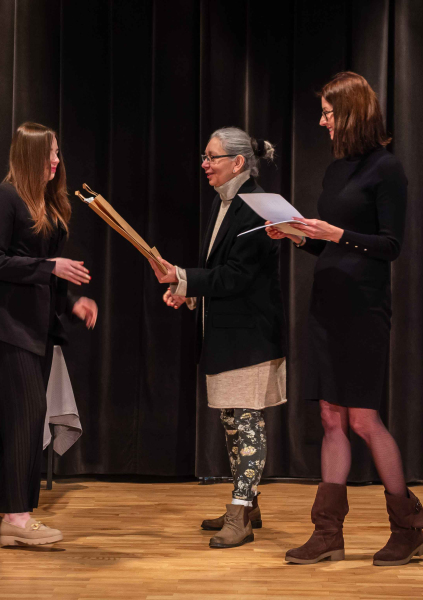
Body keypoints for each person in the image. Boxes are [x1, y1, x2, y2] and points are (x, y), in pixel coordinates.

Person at [266, 72, 423, 566]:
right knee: (330, 415)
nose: (322, 122)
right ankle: (327, 534)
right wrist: (297, 236)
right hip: (327, 306)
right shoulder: (337, 170)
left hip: (364, 309)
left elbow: (391, 246)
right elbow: (328, 245)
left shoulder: (387, 169)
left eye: (328, 114)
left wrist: (336, 234)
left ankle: (408, 530)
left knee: (362, 418)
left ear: (352, 114)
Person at [149, 127, 286, 549]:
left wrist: (183, 278)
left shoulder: (258, 207)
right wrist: (187, 292)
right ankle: (249, 504)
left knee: (246, 421)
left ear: (238, 162)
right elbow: (219, 273)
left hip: (251, 335)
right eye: (205, 157)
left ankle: (240, 514)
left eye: (212, 157)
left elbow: (239, 276)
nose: (205, 164)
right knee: (231, 422)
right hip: (226, 333)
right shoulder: (222, 202)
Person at [0, 122, 98, 547]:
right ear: (30, 156)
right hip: (6, 326)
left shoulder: (45, 202)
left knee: (23, 421)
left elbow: (46, 271)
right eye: (50, 153)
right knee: (26, 418)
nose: (56, 160)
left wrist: (71, 303)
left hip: (35, 327)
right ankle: (17, 517)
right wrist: (50, 267)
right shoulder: (3, 199)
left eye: (58, 152)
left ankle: (7, 515)